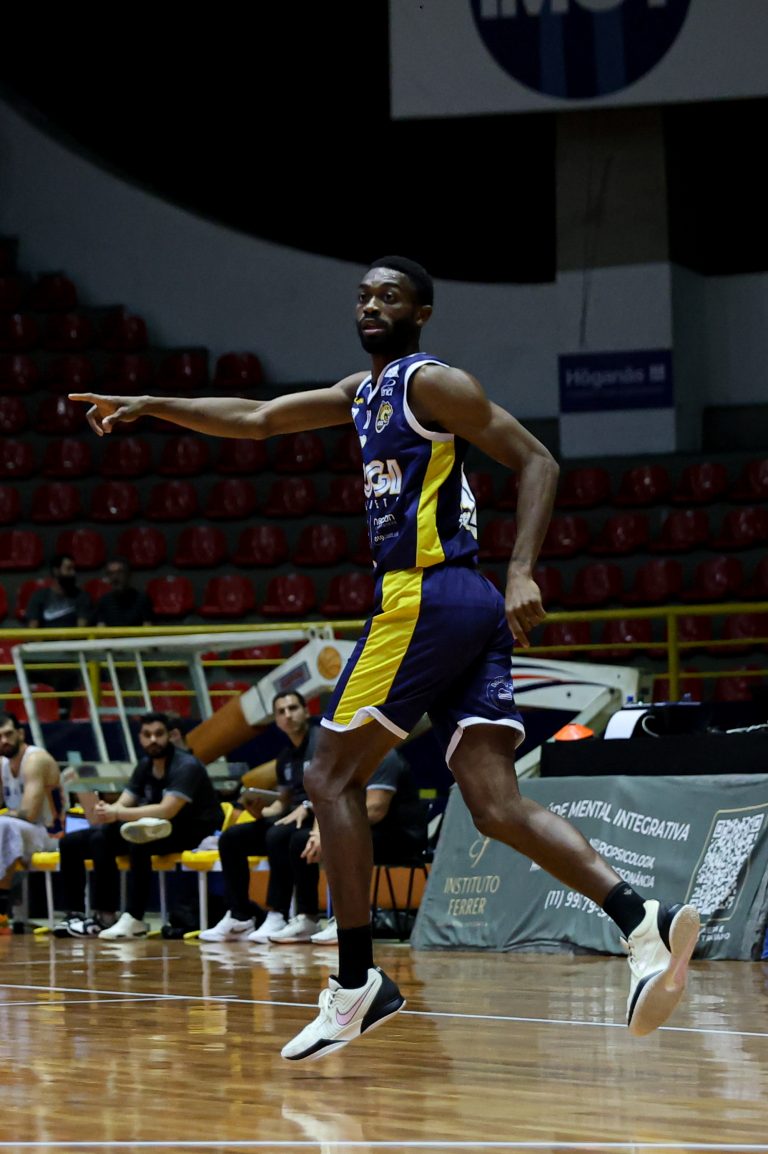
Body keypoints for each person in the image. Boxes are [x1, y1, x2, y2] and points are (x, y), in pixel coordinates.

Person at [71, 255, 700, 1060]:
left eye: (390, 296)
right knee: (494, 803)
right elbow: (256, 418)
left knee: (328, 776)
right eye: (363, 295)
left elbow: (538, 459)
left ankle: (357, 980)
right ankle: (641, 924)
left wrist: (522, 570)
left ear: (422, 312)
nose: (371, 305)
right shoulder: (360, 393)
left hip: (426, 596)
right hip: (462, 608)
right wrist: (152, 405)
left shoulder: (431, 384)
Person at [56, 711, 222, 939]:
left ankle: (134, 917)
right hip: (156, 827)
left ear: (170, 736)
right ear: (140, 738)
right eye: (147, 734)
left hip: (192, 829)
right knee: (80, 840)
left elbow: (167, 810)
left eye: (159, 734)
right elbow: (125, 802)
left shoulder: (186, 765)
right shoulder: (145, 765)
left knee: (138, 841)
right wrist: (106, 811)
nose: (153, 740)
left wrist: (118, 813)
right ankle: (88, 915)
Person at [199, 690, 320, 945]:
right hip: (291, 817)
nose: (288, 715)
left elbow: (335, 786)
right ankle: (239, 916)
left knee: (278, 835)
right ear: (276, 720)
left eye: (293, 708)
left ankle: (277, 914)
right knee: (232, 838)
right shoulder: (285, 757)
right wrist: (259, 811)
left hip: (319, 817)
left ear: (306, 711)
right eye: (281, 712)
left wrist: (308, 806)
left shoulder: (322, 743)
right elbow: (283, 803)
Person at [303, 747, 428, 945]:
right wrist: (318, 833)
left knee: (342, 843)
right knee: (296, 840)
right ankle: (305, 918)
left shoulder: (385, 756)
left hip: (399, 836)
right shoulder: (342, 759)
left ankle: (350, 921)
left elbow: (376, 809)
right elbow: (326, 803)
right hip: (363, 830)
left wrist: (331, 830)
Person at [0, 712, 62, 933]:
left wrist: (8, 814)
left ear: (21, 734)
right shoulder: (2, 764)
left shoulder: (35, 760)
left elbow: (30, 813)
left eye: (8, 734)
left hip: (51, 833)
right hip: (21, 832)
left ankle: (1, 911)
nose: (4, 740)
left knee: (2, 826)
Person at [26, 554, 93, 718]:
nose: (73, 573)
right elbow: (33, 631)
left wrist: (62, 644)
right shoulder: (40, 597)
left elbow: (81, 630)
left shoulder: (81, 597)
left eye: (74, 569)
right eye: (68, 569)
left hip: (71, 656)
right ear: (56, 571)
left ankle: (68, 712)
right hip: (44, 656)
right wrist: (50, 648)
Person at [95, 559, 154, 628]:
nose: (115, 577)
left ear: (129, 574)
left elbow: (147, 627)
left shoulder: (142, 598)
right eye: (110, 573)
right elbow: (101, 628)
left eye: (120, 572)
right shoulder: (104, 601)